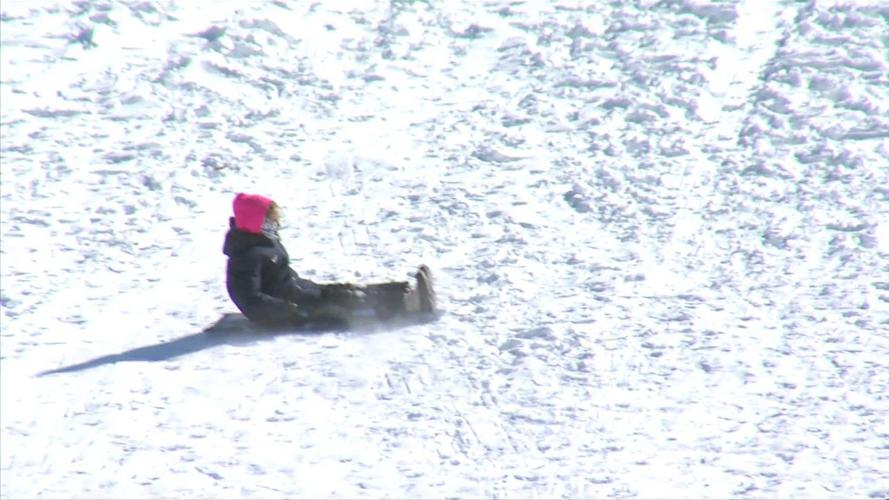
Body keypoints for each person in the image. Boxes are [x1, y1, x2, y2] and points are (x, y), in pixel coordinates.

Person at [222, 193, 435, 328]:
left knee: (346, 290)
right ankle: (408, 303)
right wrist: (288, 311)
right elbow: (248, 298)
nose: (277, 223)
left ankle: (403, 290)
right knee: (346, 302)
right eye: (272, 219)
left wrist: (299, 284)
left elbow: (278, 274)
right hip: (292, 306)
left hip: (300, 291)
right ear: (257, 222)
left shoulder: (263, 241)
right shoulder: (246, 255)